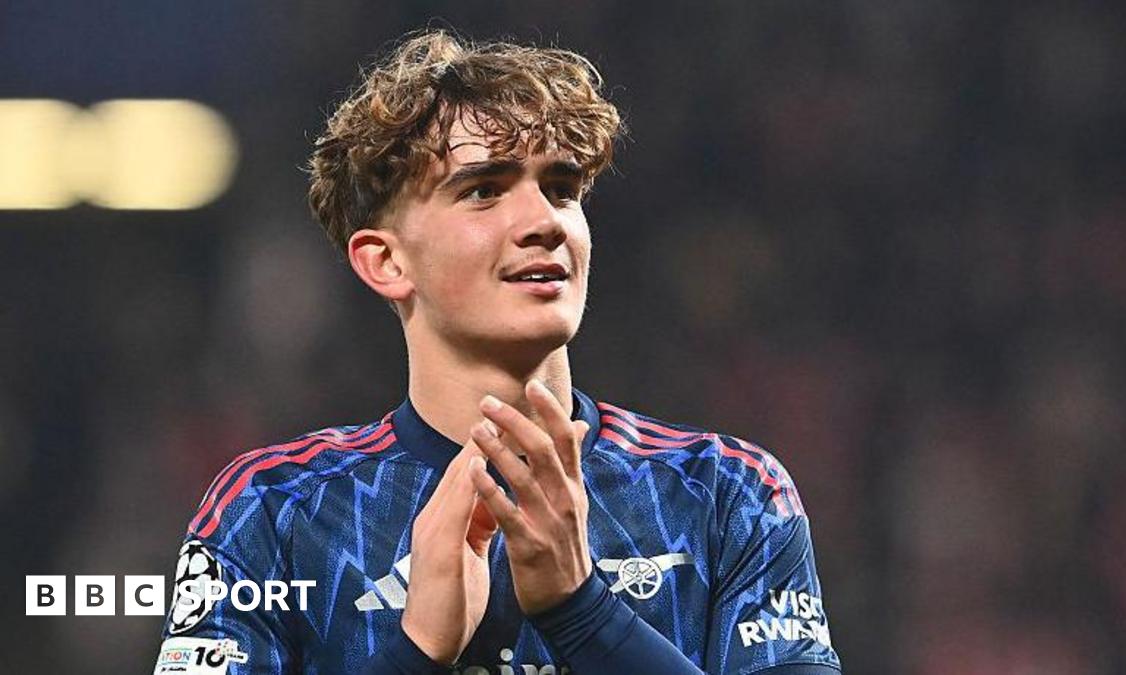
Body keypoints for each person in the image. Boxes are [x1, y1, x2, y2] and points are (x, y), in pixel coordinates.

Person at [153, 30, 841, 675]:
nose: (544, 222)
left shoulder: (727, 494)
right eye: (484, 190)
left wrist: (582, 611)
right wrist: (417, 651)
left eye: (561, 189)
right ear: (386, 261)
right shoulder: (273, 512)